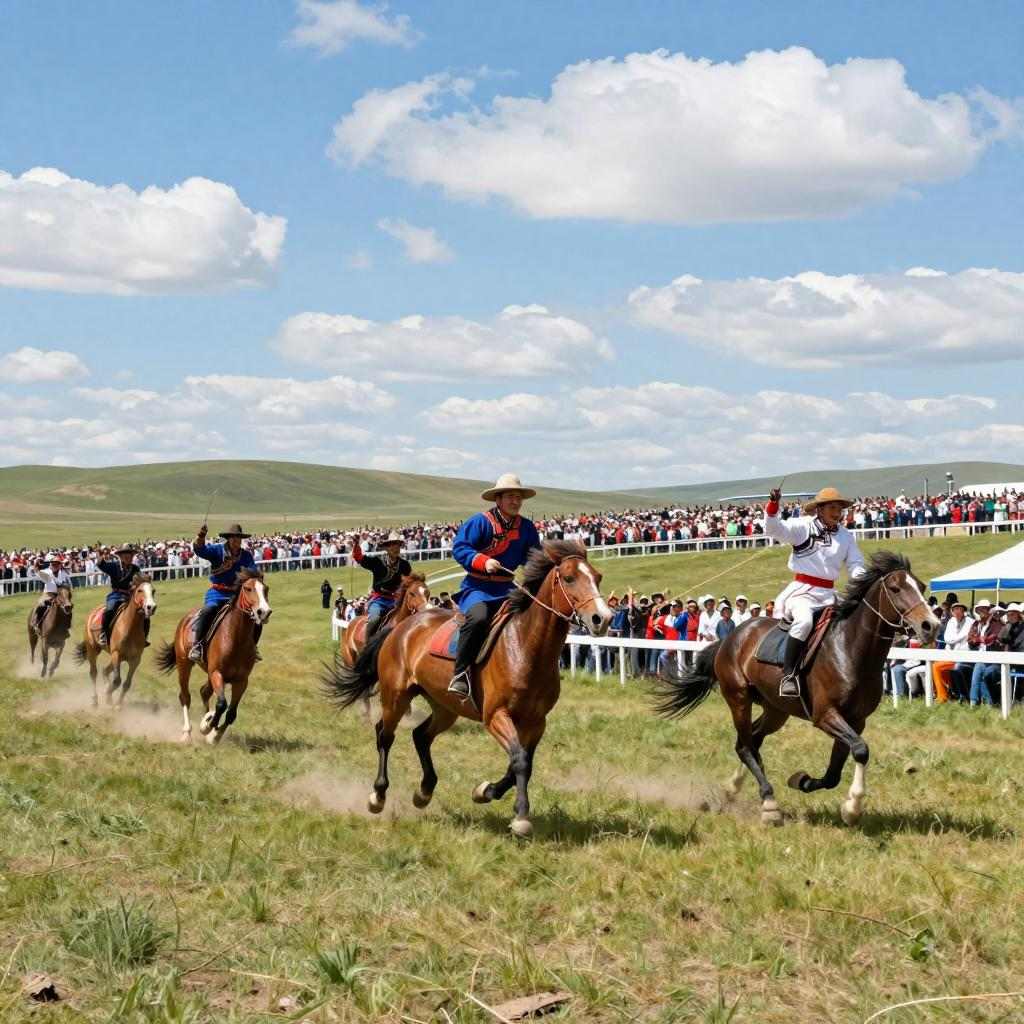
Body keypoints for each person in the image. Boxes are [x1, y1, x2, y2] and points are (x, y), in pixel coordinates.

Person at [764, 486, 866, 697]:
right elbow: (774, 530)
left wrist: (862, 581)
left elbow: (856, 563)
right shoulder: (802, 526)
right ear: (819, 509)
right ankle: (789, 675)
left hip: (829, 594)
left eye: (840, 508)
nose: (837, 512)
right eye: (832, 507)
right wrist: (773, 506)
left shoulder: (846, 537)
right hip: (802, 592)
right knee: (804, 622)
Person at [449, 474, 541, 707]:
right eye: (510, 496)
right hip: (477, 587)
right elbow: (460, 548)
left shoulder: (527, 528)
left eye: (518, 497)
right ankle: (460, 674)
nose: (515, 501)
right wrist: (482, 561)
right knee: (479, 618)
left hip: (508, 588)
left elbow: (534, 559)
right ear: (498, 499)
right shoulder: (480, 522)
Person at [190, 523, 261, 662]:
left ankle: (252, 647)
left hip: (237, 595)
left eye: (239, 538)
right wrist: (201, 536)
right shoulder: (217, 550)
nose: (236, 541)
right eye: (233, 538)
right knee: (208, 610)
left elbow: (253, 572)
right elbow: (200, 550)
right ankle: (197, 645)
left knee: (257, 617)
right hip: (217, 592)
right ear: (228, 538)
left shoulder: (246, 556)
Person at [351, 531, 412, 636]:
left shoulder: (405, 565)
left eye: (398, 545)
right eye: (393, 545)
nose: (396, 548)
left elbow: (409, 583)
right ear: (387, 548)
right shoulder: (376, 561)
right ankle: (368, 646)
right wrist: (356, 544)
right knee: (374, 619)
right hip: (379, 600)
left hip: (396, 601)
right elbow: (359, 557)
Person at [97, 544, 145, 647]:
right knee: (109, 610)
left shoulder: (135, 568)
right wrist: (100, 555)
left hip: (130, 596)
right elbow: (101, 565)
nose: (129, 557)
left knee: (144, 613)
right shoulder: (114, 566)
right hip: (116, 595)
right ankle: (103, 633)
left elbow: (140, 581)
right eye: (126, 555)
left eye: (131, 555)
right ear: (121, 556)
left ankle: (144, 637)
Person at [931, 600, 973, 702]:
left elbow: (957, 639)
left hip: (964, 656)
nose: (957, 612)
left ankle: (942, 697)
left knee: (936, 667)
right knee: (936, 665)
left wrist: (955, 639)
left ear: (964, 611)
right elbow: (947, 639)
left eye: (960, 609)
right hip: (950, 655)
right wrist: (960, 637)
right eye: (955, 610)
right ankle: (945, 693)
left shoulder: (970, 621)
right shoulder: (951, 621)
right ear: (952, 612)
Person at [30, 555, 73, 632]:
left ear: (60, 565)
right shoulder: (47, 572)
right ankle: (36, 623)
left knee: (69, 606)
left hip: (61, 595)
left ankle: (67, 626)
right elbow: (37, 572)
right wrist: (36, 565)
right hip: (48, 594)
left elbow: (68, 581)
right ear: (51, 564)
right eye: (53, 564)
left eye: (57, 564)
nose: (55, 565)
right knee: (40, 604)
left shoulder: (63, 573)